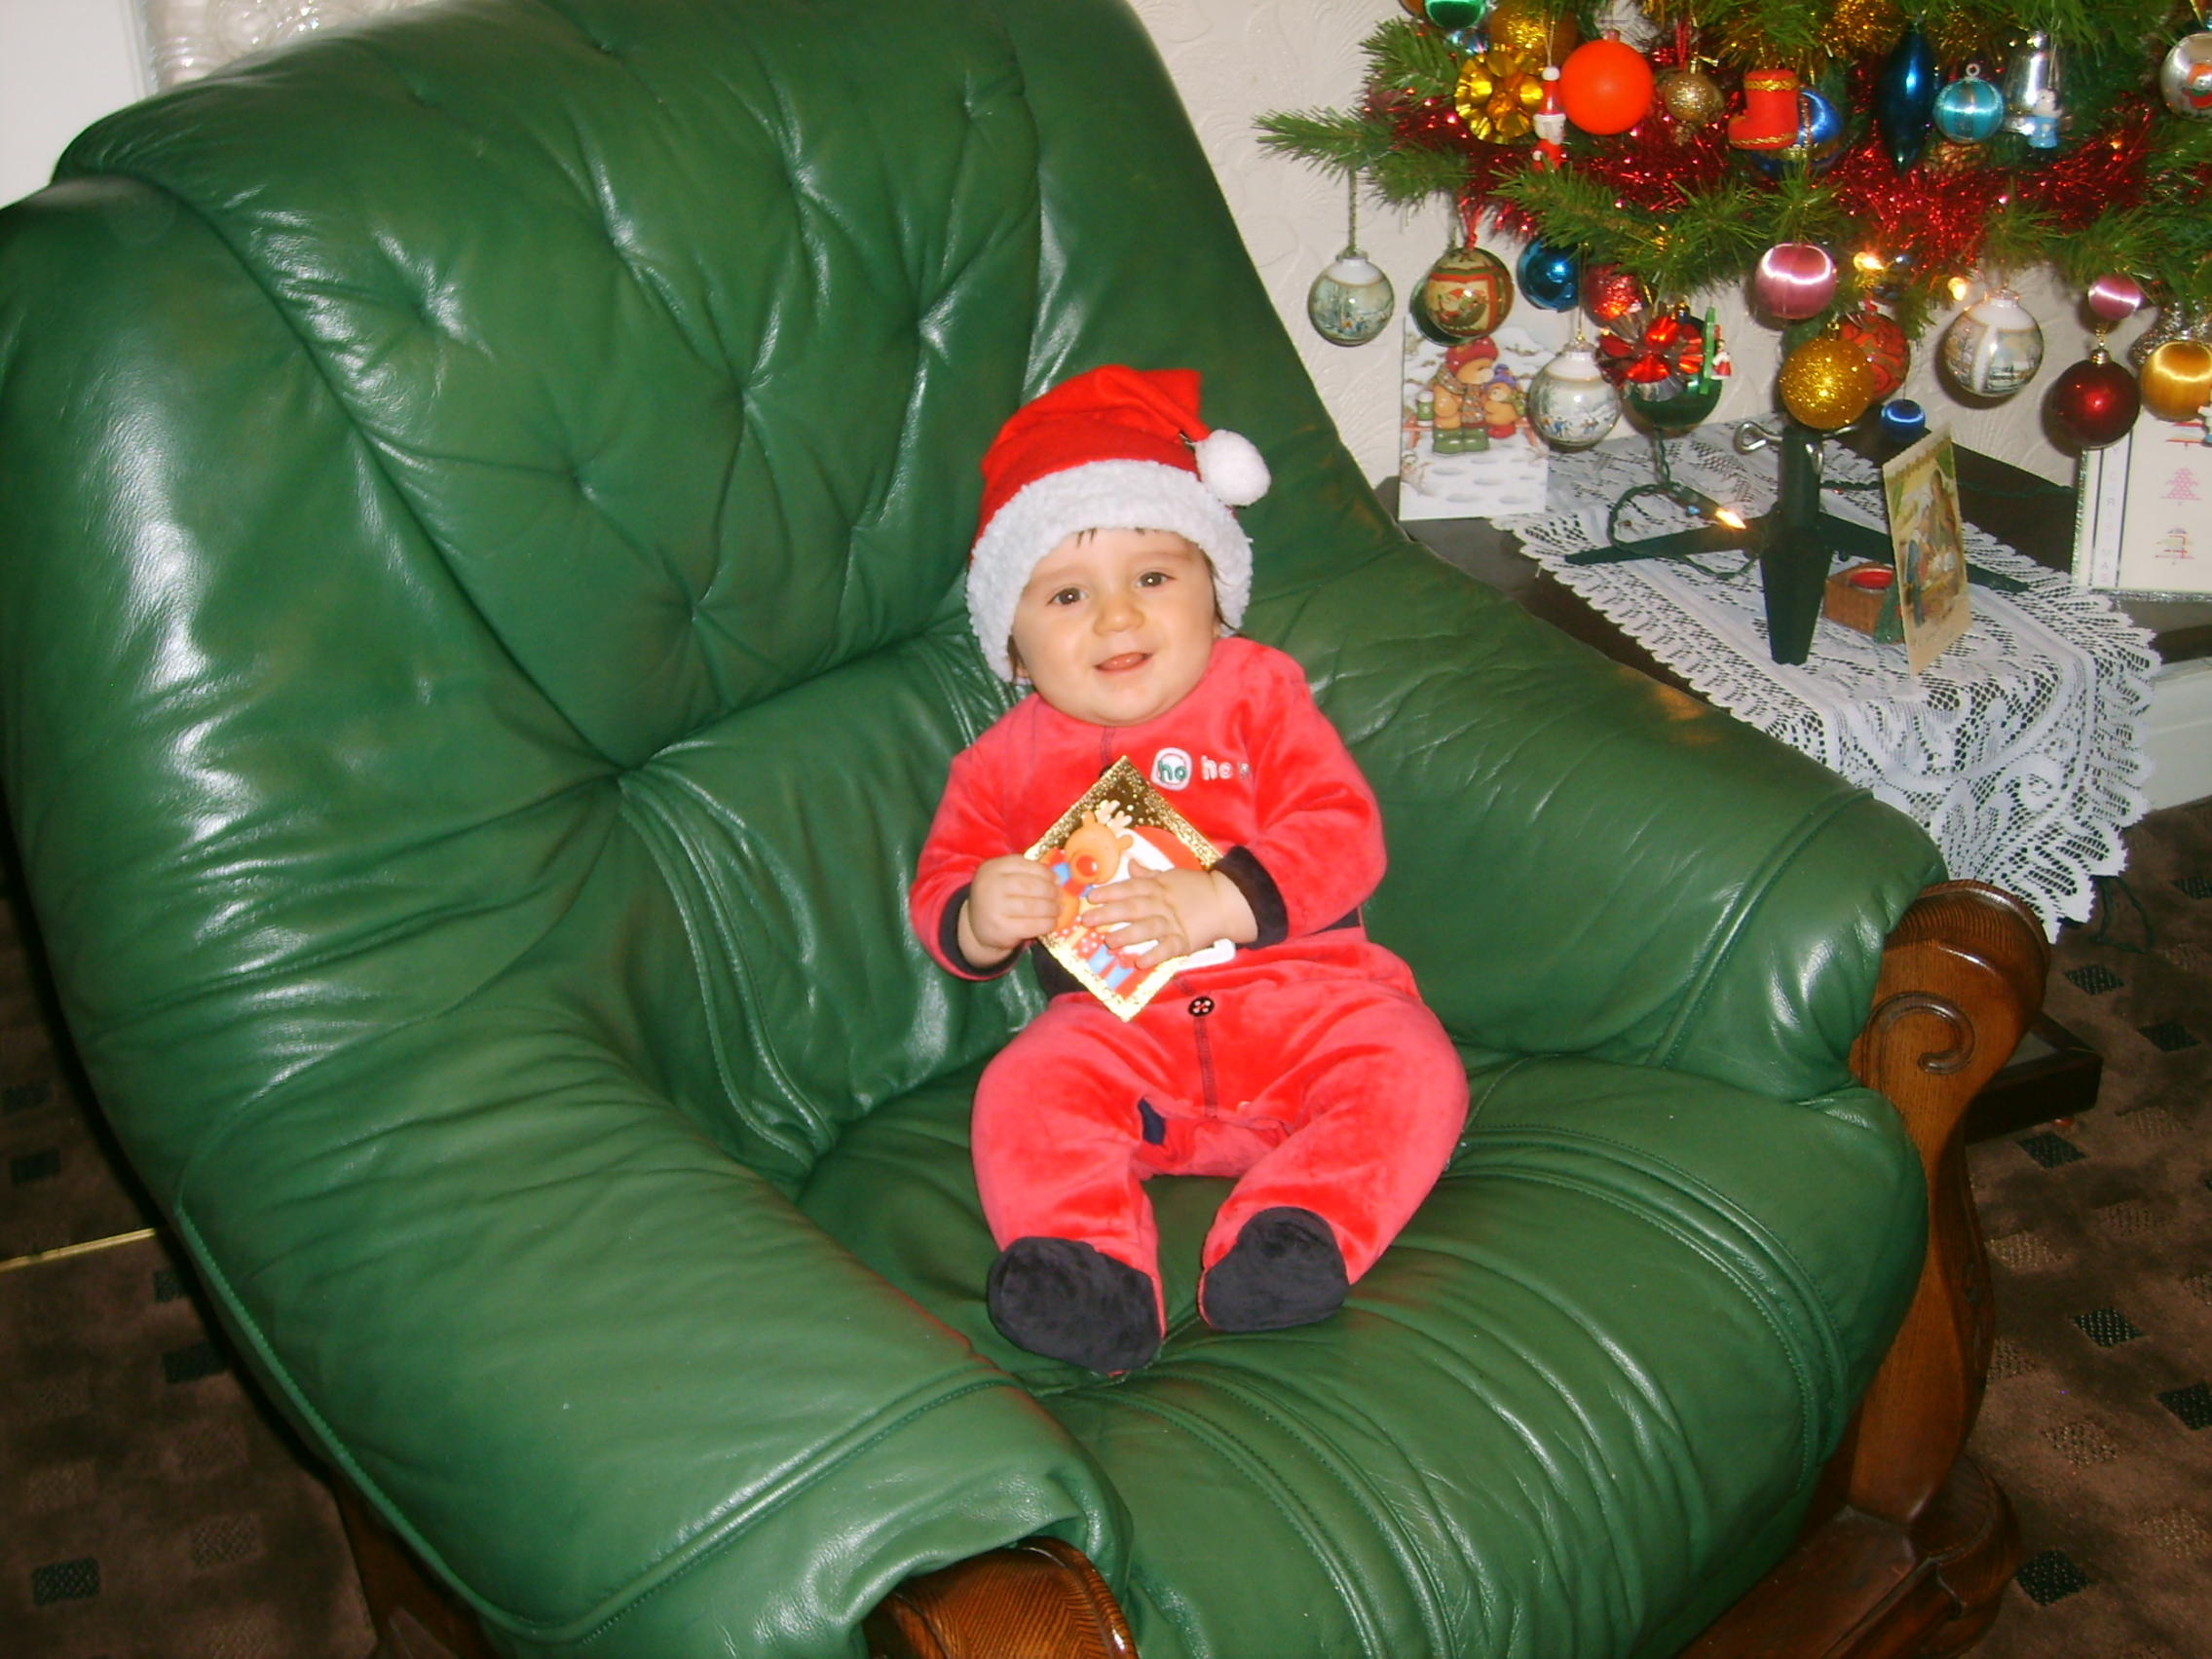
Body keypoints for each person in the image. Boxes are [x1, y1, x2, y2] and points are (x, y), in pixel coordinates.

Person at [909, 365, 1470, 1375]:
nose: (1117, 618)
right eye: (1067, 595)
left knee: (1413, 1068)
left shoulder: (1259, 693)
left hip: (1308, 1000)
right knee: (1023, 1089)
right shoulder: (995, 765)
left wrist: (1223, 896)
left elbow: (1343, 829)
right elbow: (943, 880)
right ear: (1015, 651)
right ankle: (1090, 1268)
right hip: (1122, 1035)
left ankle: (1296, 1228)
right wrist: (980, 916)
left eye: (1154, 578)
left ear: (1217, 598)